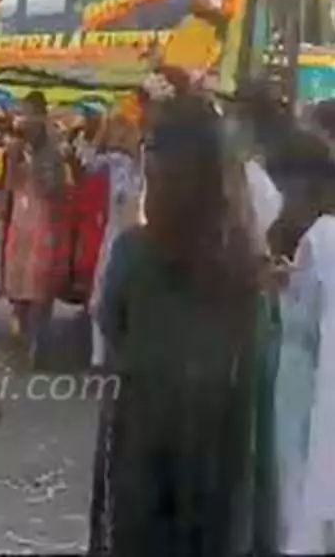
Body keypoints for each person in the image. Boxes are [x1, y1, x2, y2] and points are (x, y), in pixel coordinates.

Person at [88, 91, 277, 556]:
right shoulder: (246, 265)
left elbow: (110, 321)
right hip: (219, 446)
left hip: (142, 437)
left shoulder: (133, 252)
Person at [263, 130, 335, 553]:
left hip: (303, 380)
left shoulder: (320, 237)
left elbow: (301, 318)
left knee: (297, 479)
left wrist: (279, 289)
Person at [0, 90, 66, 368]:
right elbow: (8, 186)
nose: (24, 120)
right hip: (20, 223)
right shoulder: (16, 149)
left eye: (29, 114)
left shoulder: (52, 151)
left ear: (41, 116)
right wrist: (13, 162)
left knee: (39, 286)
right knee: (19, 288)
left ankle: (38, 344)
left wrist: (33, 167)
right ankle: (24, 340)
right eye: (23, 114)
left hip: (43, 223)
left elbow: (55, 189)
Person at [83, 112, 143, 369]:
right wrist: (99, 134)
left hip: (134, 233)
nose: (118, 139)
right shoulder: (117, 162)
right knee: (102, 295)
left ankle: (113, 356)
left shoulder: (141, 163)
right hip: (118, 233)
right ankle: (99, 358)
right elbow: (88, 162)